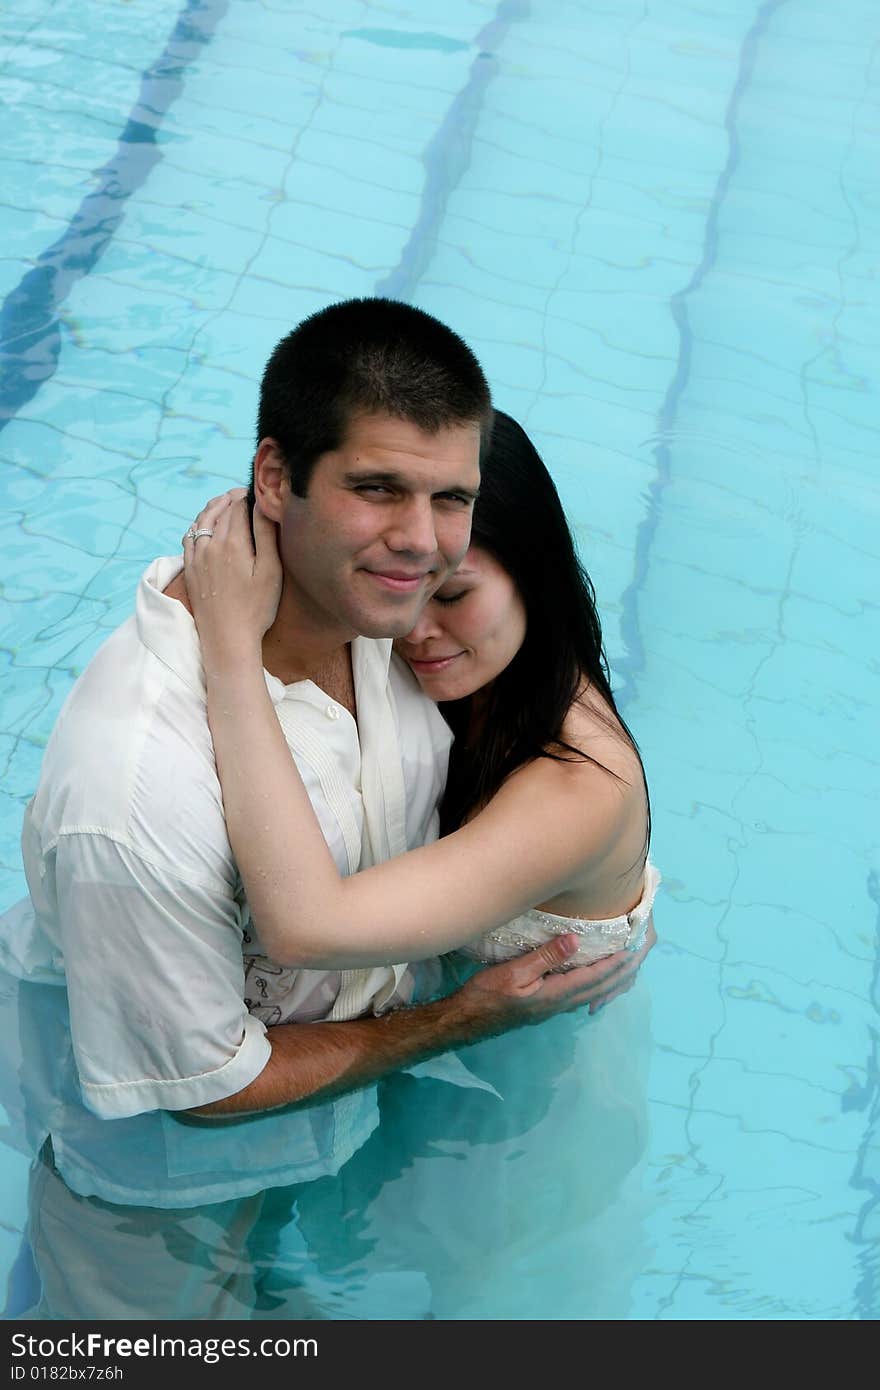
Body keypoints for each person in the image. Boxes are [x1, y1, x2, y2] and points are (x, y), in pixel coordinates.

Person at [0, 299, 652, 1319]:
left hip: (442, 1097)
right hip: (170, 1179)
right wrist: (451, 1022)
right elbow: (211, 1083)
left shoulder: (410, 642)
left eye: (450, 508)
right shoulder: (137, 794)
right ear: (275, 480)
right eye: (378, 490)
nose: (421, 554)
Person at [183, 409, 658, 1001]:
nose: (412, 627)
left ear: (535, 577)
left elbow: (305, 930)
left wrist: (231, 650)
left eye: (452, 595)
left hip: (531, 1063)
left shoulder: (580, 786)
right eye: (404, 585)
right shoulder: (484, 677)